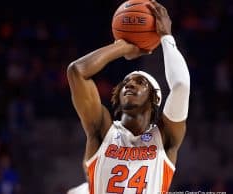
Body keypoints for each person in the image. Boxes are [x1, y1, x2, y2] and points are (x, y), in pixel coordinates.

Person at [66, 0, 190, 193]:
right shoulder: (102, 129)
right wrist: (123, 47)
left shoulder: (163, 139)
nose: (130, 84)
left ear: (155, 99)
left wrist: (166, 37)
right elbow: (76, 71)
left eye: (140, 82)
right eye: (126, 83)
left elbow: (181, 85)